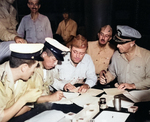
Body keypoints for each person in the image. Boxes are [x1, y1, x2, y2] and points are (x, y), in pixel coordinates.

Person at [0, 43, 44, 122]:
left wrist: (8, 113)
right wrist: (23, 100)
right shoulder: (1, 80)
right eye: (34, 67)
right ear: (24, 68)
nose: (34, 71)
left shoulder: (24, 77)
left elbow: (28, 107)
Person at [99, 25, 150, 90]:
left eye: (121, 43)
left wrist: (133, 86)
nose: (117, 46)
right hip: (122, 92)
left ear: (132, 43)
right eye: (117, 43)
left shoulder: (147, 56)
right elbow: (112, 73)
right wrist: (106, 78)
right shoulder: (116, 55)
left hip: (141, 95)